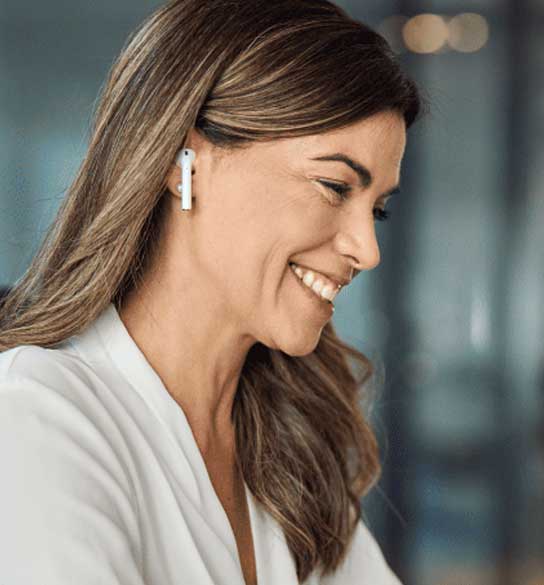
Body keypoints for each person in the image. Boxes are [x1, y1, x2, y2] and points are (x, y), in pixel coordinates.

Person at [0, 1, 420, 584]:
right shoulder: (36, 417)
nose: (366, 250)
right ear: (184, 160)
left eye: (378, 209)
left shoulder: (289, 444)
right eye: (333, 186)